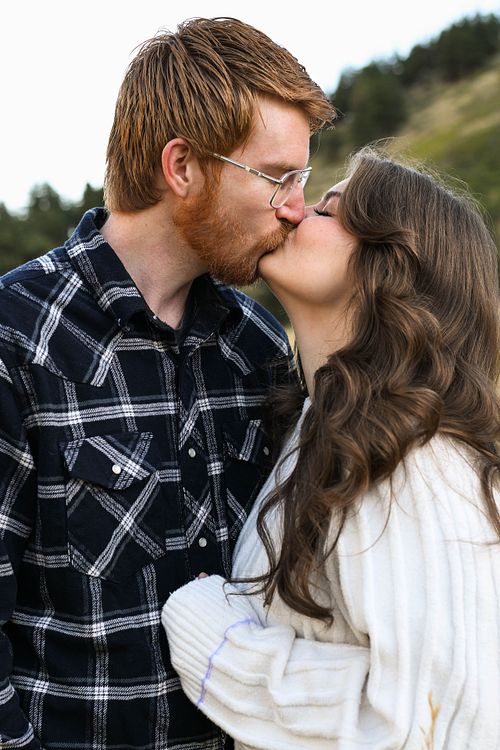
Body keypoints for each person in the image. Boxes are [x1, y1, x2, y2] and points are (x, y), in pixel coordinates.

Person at [0, 17, 335, 750]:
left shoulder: (259, 346)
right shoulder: (18, 337)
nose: (295, 206)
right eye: (277, 177)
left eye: (302, 179)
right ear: (181, 167)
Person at [163, 147, 500, 749]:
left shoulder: (416, 458)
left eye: (327, 209)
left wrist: (219, 644)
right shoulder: (326, 427)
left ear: (391, 262)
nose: (292, 210)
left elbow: (434, 724)